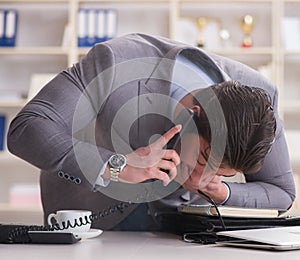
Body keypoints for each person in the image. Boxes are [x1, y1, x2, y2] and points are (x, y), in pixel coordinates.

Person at [7, 33, 295, 231]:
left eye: (222, 170)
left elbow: (281, 192)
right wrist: (114, 166)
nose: (197, 178)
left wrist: (221, 190)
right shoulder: (116, 60)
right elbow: (27, 127)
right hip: (91, 224)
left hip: (183, 235)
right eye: (204, 158)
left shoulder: (260, 108)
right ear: (189, 112)